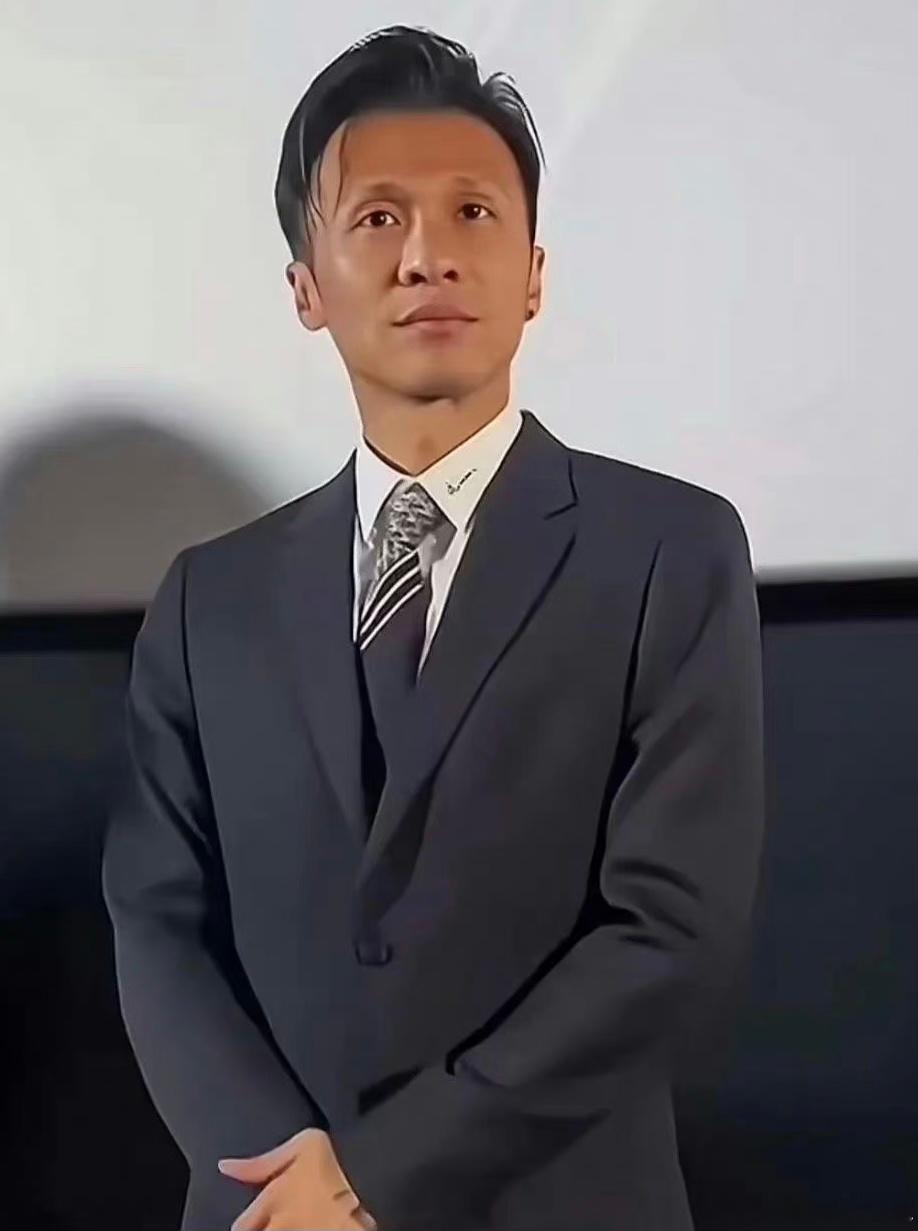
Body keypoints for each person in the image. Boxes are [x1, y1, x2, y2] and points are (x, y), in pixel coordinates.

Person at [101, 23, 765, 1231]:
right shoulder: (208, 599)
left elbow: (671, 929)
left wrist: (373, 1176)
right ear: (305, 289)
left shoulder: (669, 551)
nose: (426, 257)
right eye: (376, 218)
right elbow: (155, 919)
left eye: (471, 213)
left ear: (533, 274)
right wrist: (283, 1179)